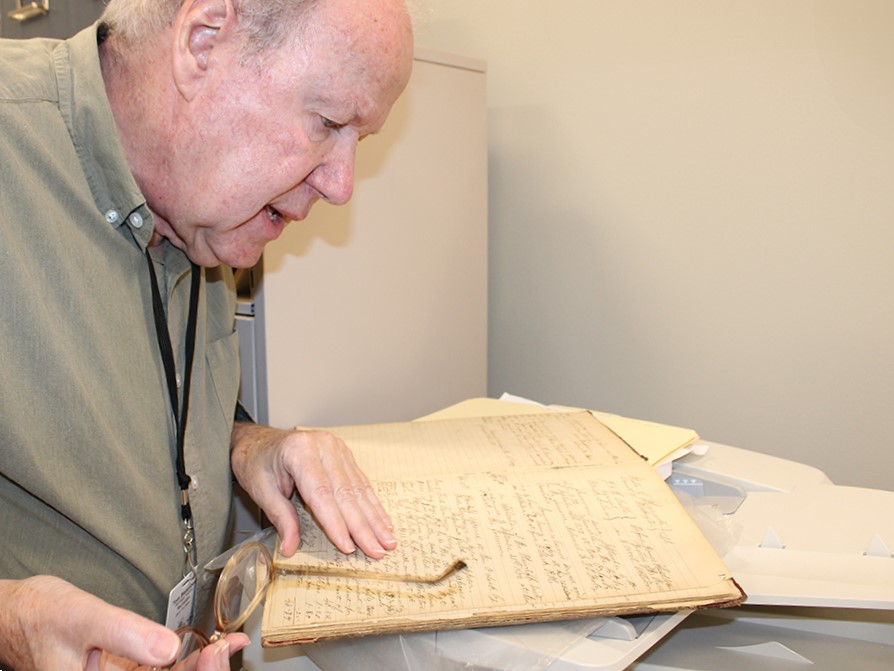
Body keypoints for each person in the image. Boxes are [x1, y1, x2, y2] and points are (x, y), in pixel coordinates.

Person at [0, 0, 414, 668]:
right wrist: (11, 625)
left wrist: (247, 442)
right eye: (329, 122)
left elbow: (125, 396)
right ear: (203, 40)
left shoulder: (203, 206)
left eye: (357, 142)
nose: (342, 186)